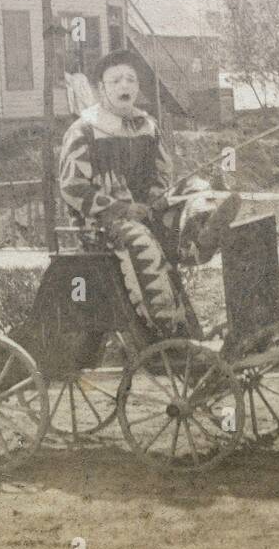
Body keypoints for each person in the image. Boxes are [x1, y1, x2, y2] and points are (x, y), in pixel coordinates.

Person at [58, 49, 240, 337]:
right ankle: (166, 326)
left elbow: (162, 172)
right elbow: (71, 186)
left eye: (131, 79)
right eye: (116, 80)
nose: (125, 86)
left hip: (147, 210)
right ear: (101, 89)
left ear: (138, 87)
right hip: (102, 223)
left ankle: (200, 235)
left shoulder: (147, 126)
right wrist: (122, 209)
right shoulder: (84, 130)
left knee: (194, 189)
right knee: (140, 239)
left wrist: (155, 200)